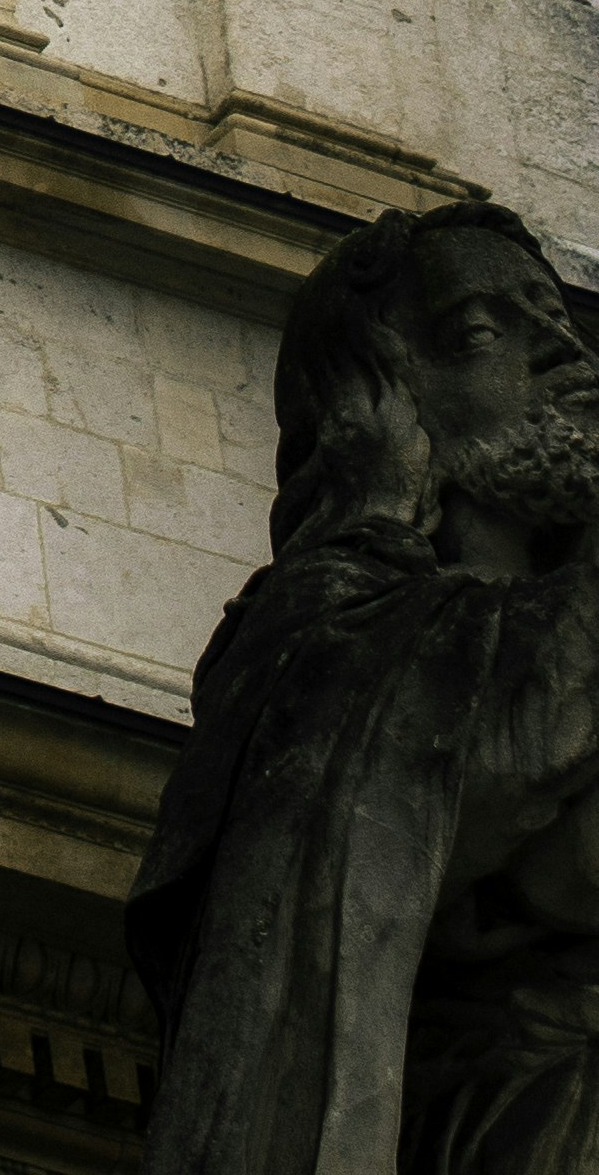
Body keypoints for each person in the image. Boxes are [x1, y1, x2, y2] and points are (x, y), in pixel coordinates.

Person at [132, 198, 599, 1175]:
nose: (561, 351)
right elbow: (496, 752)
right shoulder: (323, 637)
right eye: (485, 330)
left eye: (555, 320)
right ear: (386, 403)